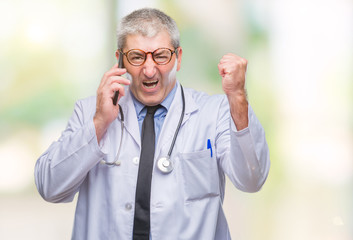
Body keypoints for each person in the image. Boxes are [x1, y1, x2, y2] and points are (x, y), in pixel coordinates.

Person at [35, 8, 270, 240]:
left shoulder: (213, 112)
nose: (149, 70)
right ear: (120, 60)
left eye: (161, 56)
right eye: (137, 57)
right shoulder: (89, 112)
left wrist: (237, 95)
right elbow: (50, 187)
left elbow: (252, 179)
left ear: (178, 58)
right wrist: (99, 123)